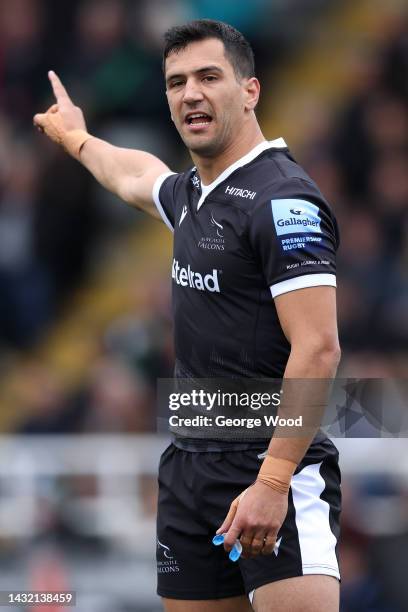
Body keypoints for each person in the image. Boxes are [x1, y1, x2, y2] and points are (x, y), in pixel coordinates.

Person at [34, 19, 341, 612]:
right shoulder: (194, 196)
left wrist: (274, 481)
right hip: (189, 466)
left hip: (267, 463)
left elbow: (320, 348)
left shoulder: (284, 202)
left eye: (208, 77)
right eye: (176, 82)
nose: (190, 93)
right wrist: (77, 139)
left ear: (250, 91)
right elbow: (133, 175)